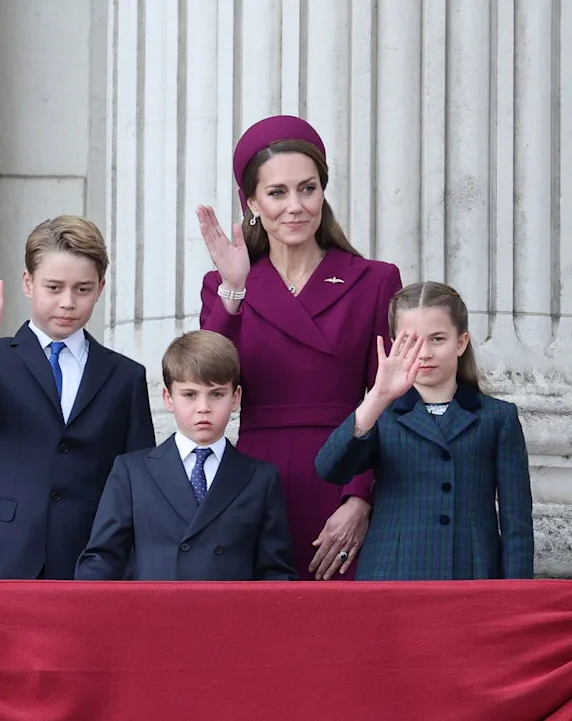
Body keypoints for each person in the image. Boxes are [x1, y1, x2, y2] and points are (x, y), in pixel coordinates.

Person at [197, 115, 402, 580]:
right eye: (277, 193)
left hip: (343, 470)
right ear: (251, 202)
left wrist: (359, 498)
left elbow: (390, 398)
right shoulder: (225, 284)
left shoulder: (374, 280)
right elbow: (207, 377)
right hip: (255, 480)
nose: (295, 207)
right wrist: (234, 287)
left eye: (307, 189)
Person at [0, 215, 155, 580]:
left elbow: (136, 480)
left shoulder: (125, 376)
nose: (67, 302)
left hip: (86, 559)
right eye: (54, 288)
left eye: (82, 289)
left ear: (100, 288)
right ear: (28, 282)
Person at [315, 282, 534, 580]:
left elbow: (516, 524)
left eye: (438, 339)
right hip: (393, 572)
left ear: (461, 342)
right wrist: (377, 397)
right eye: (412, 341)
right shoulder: (380, 413)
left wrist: (515, 598)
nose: (425, 353)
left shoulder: (497, 417)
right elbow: (330, 468)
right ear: (394, 343)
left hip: (471, 573)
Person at [75, 330, 296, 581]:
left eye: (216, 394)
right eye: (189, 395)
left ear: (235, 398)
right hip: (154, 616)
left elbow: (275, 573)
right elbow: (103, 559)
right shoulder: (132, 472)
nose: (203, 407)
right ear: (168, 398)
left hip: (229, 617)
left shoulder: (260, 479)